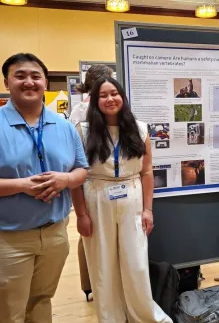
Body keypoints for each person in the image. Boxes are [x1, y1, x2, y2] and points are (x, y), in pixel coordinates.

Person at [71, 76, 172, 323]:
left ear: (123, 97)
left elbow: (147, 171)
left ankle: (143, 315)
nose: (109, 99)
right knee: (102, 265)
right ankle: (111, 317)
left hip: (132, 196)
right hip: (97, 197)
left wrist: (148, 210)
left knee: (135, 263)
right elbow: (75, 175)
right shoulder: (83, 131)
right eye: (103, 95)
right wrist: (81, 214)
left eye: (114, 93)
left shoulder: (140, 129)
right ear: (95, 101)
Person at [0, 53, 88, 323]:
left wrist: (66, 180)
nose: (29, 82)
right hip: (9, 238)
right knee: (9, 309)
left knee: (41, 301)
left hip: (55, 234)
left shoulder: (63, 126)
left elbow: (82, 169)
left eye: (35, 76)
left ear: (45, 82)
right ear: (7, 82)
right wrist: (21, 186)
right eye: (20, 75)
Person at [69, 64, 113, 301]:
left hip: (100, 179)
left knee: (90, 233)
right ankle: (94, 284)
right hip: (92, 177)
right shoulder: (82, 112)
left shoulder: (82, 108)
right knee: (90, 232)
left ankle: (91, 286)